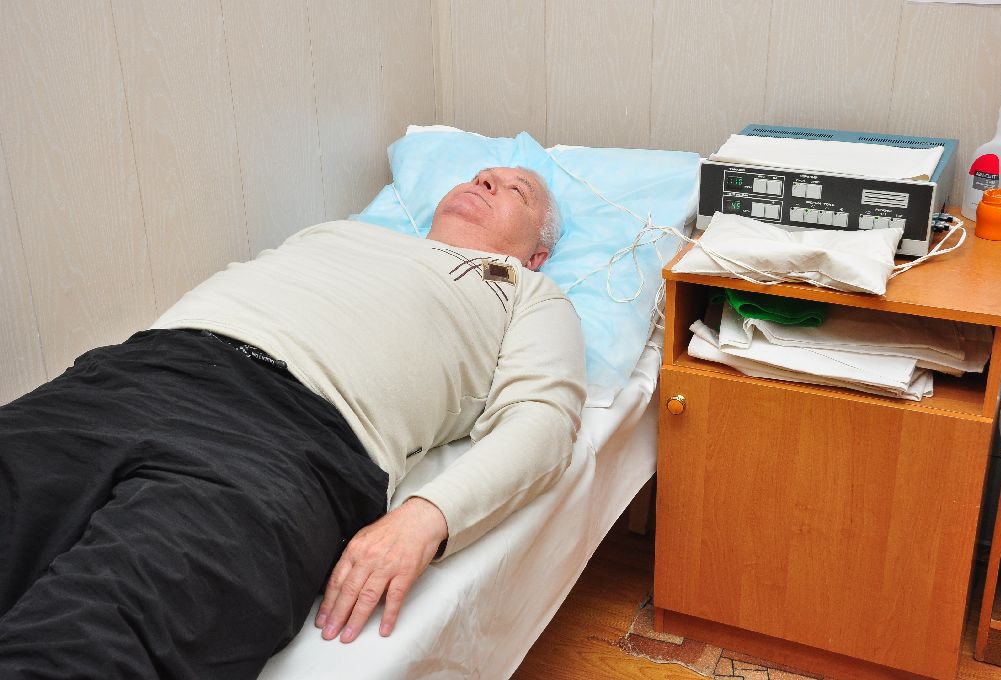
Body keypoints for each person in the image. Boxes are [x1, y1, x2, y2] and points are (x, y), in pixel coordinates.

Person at [0, 167, 587, 679]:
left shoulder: (531, 293)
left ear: (536, 253)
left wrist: (425, 518)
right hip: (131, 376)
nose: (486, 181)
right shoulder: (337, 233)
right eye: (482, 175)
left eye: (517, 190)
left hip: (286, 443)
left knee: (92, 636)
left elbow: (543, 420)